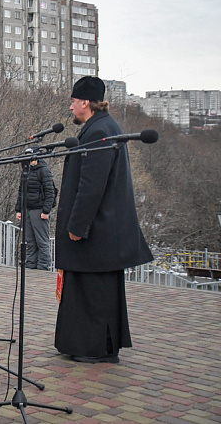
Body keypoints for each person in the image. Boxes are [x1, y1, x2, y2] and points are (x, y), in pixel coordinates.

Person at [54, 76, 153, 364]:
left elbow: (92, 185)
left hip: (97, 230)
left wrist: (77, 225)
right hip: (101, 230)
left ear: (85, 102)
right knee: (93, 291)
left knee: (95, 293)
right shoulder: (101, 127)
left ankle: (94, 347)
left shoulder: (100, 131)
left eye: (73, 101)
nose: (70, 106)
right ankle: (92, 346)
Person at [15, 148, 56, 270]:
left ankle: (44, 266)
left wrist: (46, 211)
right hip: (27, 209)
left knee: (42, 241)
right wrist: (19, 209)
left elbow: (50, 192)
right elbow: (21, 191)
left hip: (39, 210)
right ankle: (31, 264)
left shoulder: (44, 171)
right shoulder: (25, 171)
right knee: (30, 240)